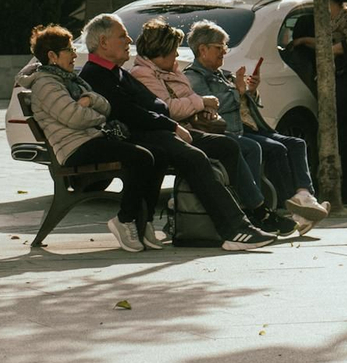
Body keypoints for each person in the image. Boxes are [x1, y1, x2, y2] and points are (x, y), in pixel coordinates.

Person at [78, 13, 275, 249]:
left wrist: (168, 120)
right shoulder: (94, 74)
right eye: (122, 36)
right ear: (103, 42)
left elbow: (156, 104)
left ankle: (245, 217)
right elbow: (129, 113)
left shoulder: (117, 71)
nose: (129, 40)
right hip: (137, 138)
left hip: (154, 131)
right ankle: (234, 229)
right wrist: (171, 125)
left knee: (226, 145)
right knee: (193, 156)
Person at [128, 19, 282, 238]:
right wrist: (202, 102)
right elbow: (168, 108)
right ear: (159, 53)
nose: (177, 56)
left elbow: (189, 98)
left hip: (189, 128)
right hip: (172, 132)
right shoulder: (144, 74)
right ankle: (246, 217)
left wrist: (202, 104)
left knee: (232, 146)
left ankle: (254, 210)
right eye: (173, 51)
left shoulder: (171, 70)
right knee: (214, 152)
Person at [15, 25, 160, 252]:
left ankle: (145, 220)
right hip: (75, 149)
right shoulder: (46, 83)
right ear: (52, 56)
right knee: (141, 158)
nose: (74, 55)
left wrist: (90, 101)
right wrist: (94, 111)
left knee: (156, 153)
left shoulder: (70, 80)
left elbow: (105, 105)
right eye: (69, 50)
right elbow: (75, 117)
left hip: (91, 139)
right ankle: (125, 220)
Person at [183, 21, 330, 235]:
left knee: (296, 143)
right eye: (219, 47)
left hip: (248, 127)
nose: (223, 52)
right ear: (202, 49)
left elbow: (241, 103)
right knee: (270, 148)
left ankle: (303, 196)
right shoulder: (194, 77)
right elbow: (215, 105)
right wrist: (239, 91)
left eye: (225, 47)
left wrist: (251, 91)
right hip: (227, 132)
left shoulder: (221, 74)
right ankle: (289, 212)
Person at [292, 0, 347, 203]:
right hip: (341, 83)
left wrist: (319, 49)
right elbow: (327, 42)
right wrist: (303, 41)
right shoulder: (329, 19)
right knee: (346, 137)